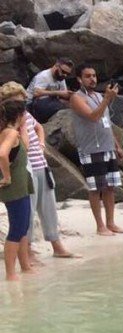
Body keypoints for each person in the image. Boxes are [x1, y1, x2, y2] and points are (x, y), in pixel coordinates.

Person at [0, 82, 75, 259]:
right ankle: (27, 251)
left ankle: (56, 245)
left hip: (40, 163)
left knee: (48, 206)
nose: (21, 104)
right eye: (17, 101)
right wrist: (23, 127)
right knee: (28, 211)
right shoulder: (9, 123)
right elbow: (16, 147)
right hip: (25, 168)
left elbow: (39, 127)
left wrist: (41, 143)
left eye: (22, 100)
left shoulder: (25, 115)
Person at [68, 65, 123, 236]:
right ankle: (100, 226)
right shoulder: (77, 98)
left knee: (110, 187)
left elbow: (106, 123)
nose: (92, 79)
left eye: (94, 75)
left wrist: (117, 145)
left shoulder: (99, 96)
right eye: (87, 76)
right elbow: (93, 117)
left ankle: (111, 223)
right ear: (79, 79)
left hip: (107, 146)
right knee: (95, 189)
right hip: (91, 149)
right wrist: (107, 100)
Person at [0, 98, 35, 281]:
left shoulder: (12, 132)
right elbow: (2, 154)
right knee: (17, 228)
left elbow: (23, 151)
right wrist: (6, 177)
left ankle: (25, 267)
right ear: (20, 115)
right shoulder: (10, 133)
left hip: (21, 185)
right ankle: (10, 274)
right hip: (14, 187)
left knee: (23, 226)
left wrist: (23, 131)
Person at [25, 58, 74, 123]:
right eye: (63, 72)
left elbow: (63, 94)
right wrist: (58, 93)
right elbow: (36, 93)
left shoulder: (61, 78)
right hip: (32, 105)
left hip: (50, 102)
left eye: (68, 74)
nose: (65, 75)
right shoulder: (44, 76)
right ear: (56, 65)